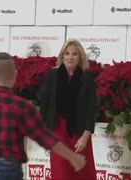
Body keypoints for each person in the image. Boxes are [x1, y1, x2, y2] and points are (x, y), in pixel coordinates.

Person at [0, 52, 87, 180]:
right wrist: (72, 156)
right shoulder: (20, 105)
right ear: (14, 74)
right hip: (9, 168)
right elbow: (44, 137)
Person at [38, 39, 97, 180]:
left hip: (79, 133)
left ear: (80, 57)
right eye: (67, 53)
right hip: (57, 131)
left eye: (75, 54)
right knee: (61, 173)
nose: (70, 57)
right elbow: (45, 104)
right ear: (62, 56)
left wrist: (85, 136)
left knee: (82, 173)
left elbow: (91, 109)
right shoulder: (53, 75)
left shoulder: (87, 77)